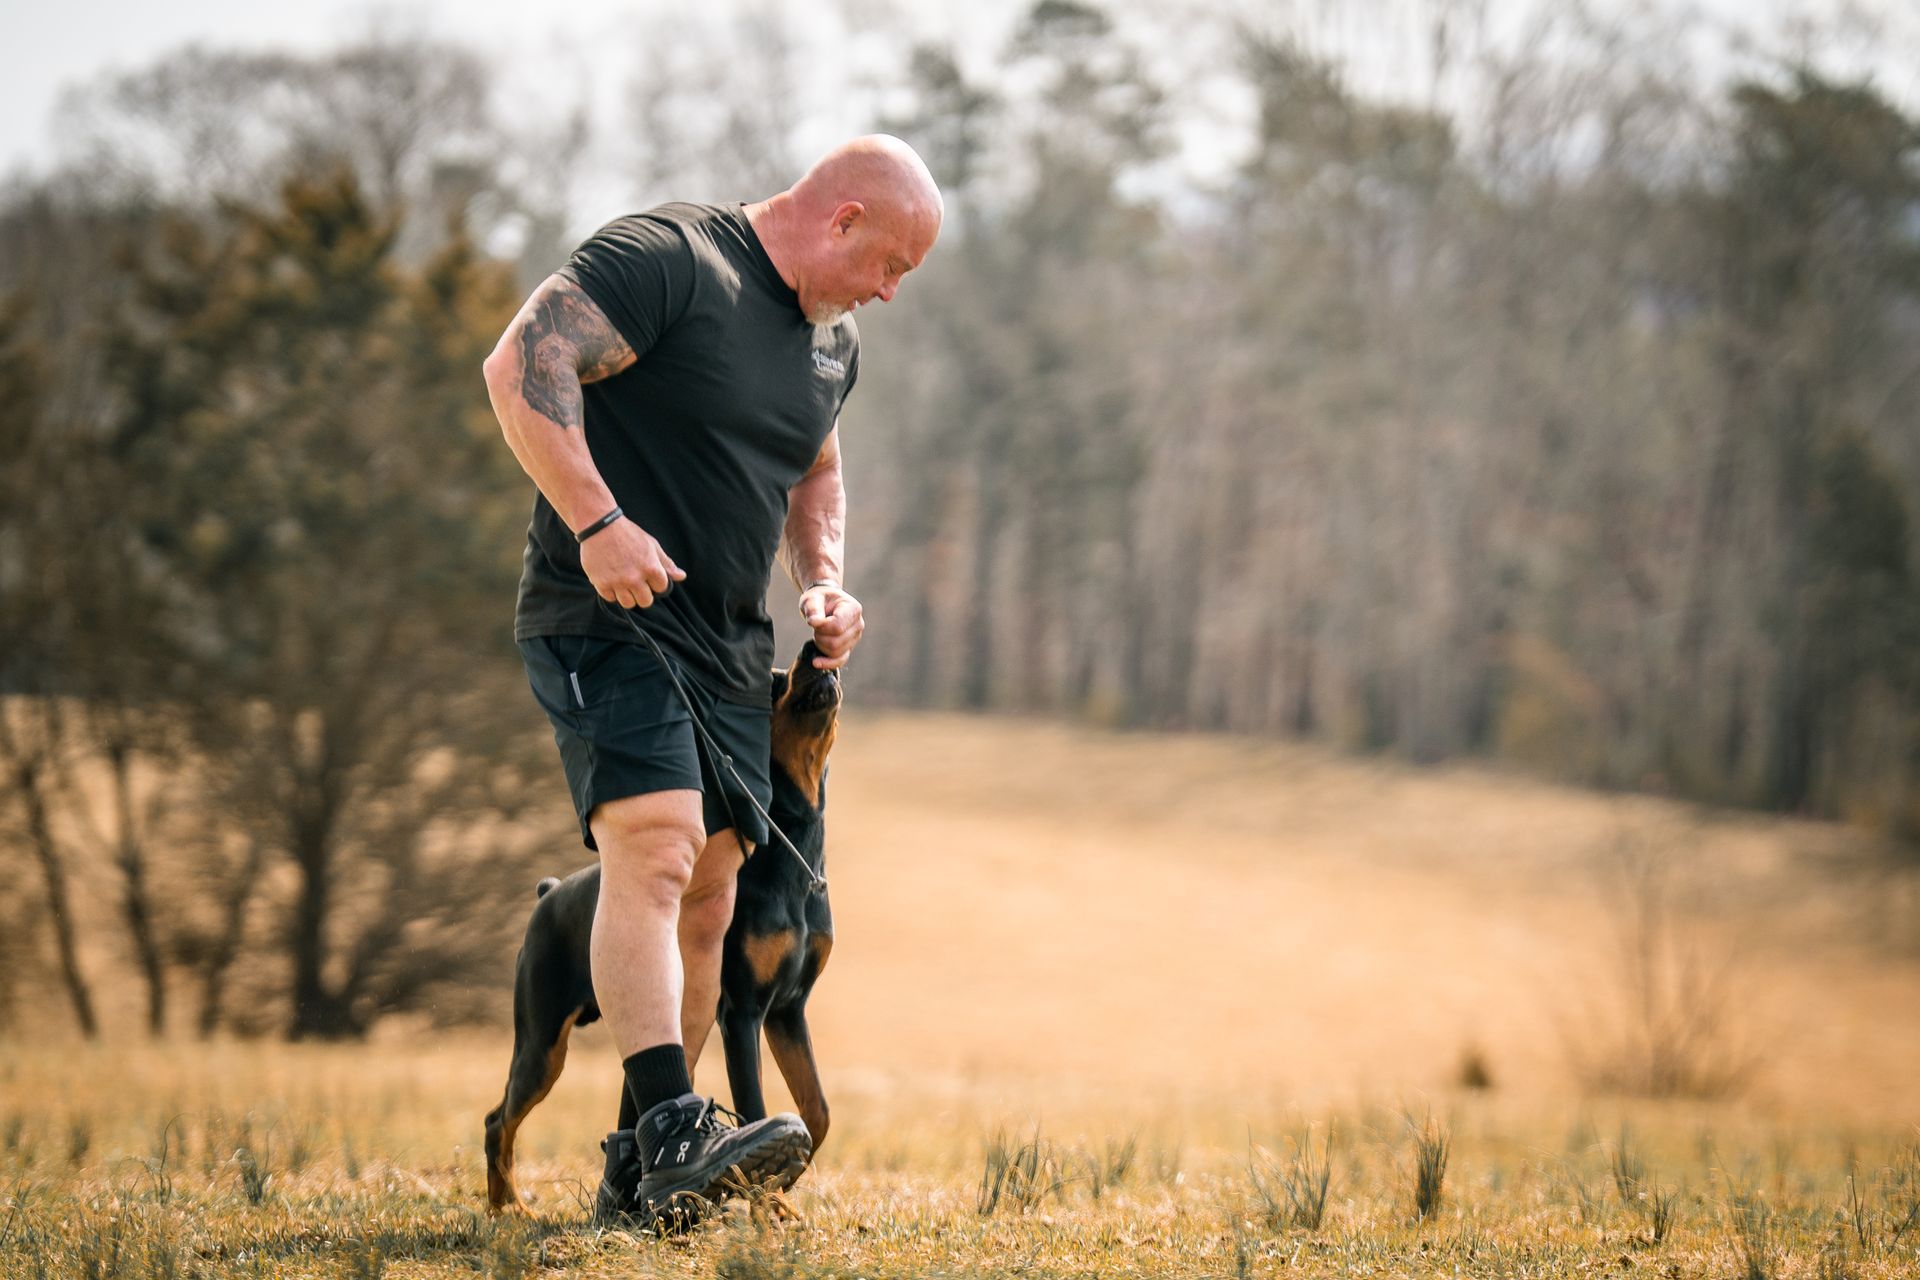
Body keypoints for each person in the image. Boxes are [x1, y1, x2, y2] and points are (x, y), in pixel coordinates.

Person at [482, 135, 942, 1221]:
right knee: (655, 845)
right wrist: (597, 522)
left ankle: (640, 1176)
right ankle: (675, 1122)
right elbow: (522, 364)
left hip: (731, 648)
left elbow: (814, 466)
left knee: (711, 893)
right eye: (890, 266)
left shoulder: (830, 349)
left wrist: (822, 581)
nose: (887, 293)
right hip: (607, 615)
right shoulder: (673, 259)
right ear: (841, 221)